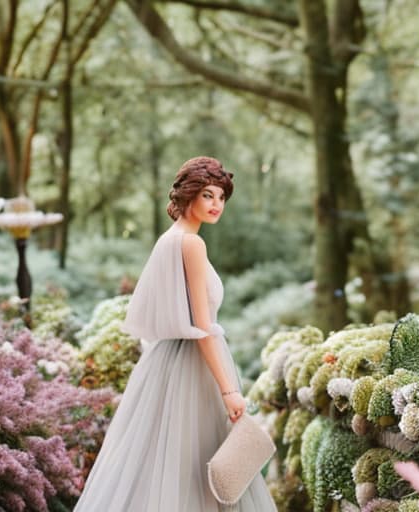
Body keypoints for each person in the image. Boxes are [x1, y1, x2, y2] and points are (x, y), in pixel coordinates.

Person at [73, 156, 277, 511]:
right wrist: (229, 389)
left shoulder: (169, 240)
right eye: (208, 195)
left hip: (164, 363)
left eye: (221, 198)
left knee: (157, 464)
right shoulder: (191, 244)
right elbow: (202, 327)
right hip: (193, 364)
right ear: (189, 196)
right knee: (194, 464)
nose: (217, 205)